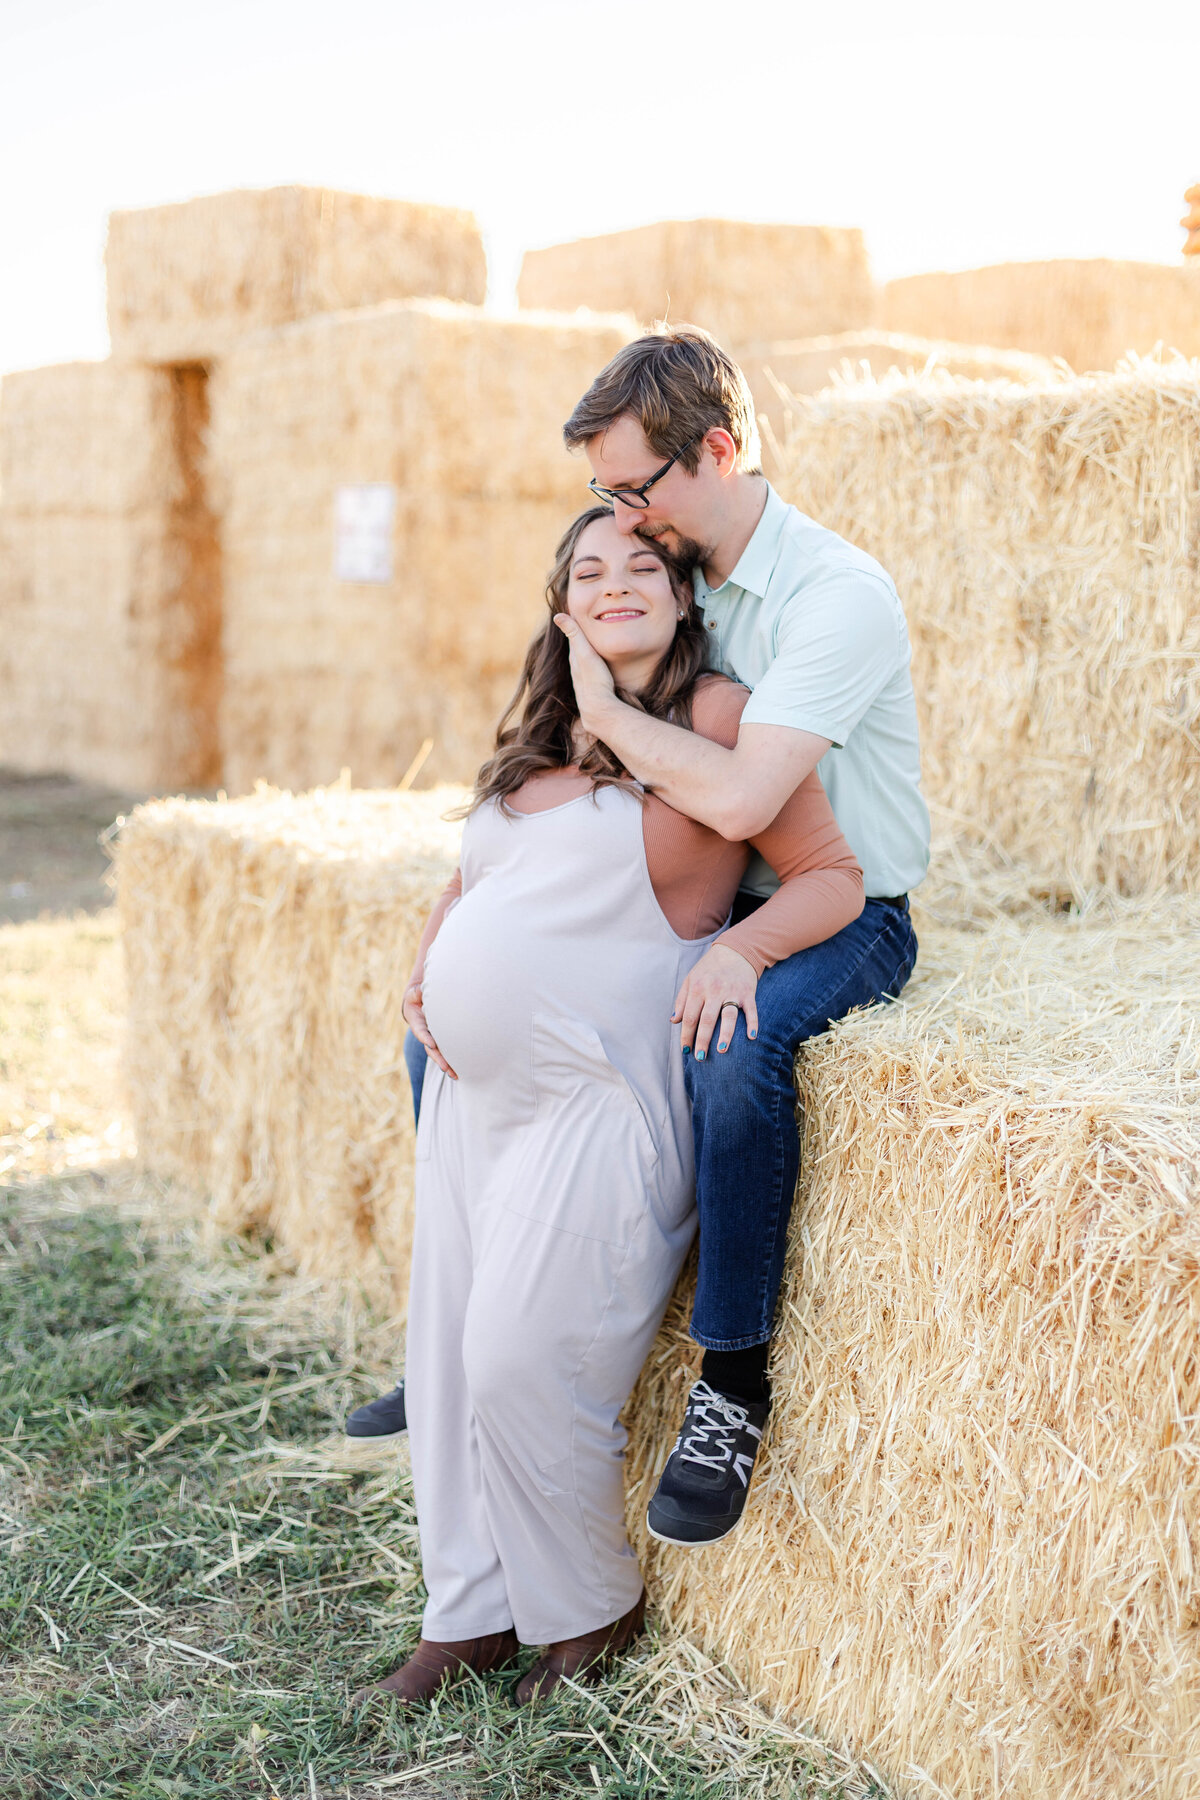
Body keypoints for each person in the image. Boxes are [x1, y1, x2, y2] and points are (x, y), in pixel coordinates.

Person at [348, 324, 929, 1554]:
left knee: (731, 1057)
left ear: (716, 451)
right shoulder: (675, 571)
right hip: (689, 899)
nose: (619, 521)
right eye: (603, 500)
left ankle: (730, 1381)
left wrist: (739, 943)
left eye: (634, 489)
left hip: (834, 907)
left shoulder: (836, 597)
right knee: (437, 1050)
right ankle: (466, 1327)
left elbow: (740, 807)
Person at [353, 506, 863, 1707]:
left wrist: (743, 955)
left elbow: (832, 878)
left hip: (602, 1101)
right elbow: (476, 877)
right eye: (590, 569)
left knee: (517, 1358)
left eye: (645, 565)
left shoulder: (721, 719)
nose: (617, 581)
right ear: (563, 605)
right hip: (480, 1102)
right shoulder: (534, 738)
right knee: (448, 1355)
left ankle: (588, 1608)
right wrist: (435, 956)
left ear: (687, 599)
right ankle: (467, 1615)